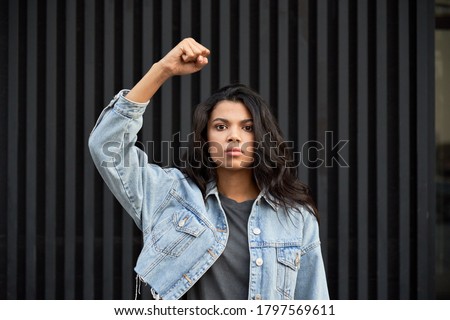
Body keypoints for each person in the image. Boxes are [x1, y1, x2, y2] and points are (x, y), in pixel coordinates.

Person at [89, 38, 329, 300]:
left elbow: (314, 303)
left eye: (247, 128)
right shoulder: (169, 195)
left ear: (262, 137)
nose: (234, 137)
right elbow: (106, 145)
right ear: (204, 138)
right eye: (221, 126)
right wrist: (162, 70)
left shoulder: (296, 217)